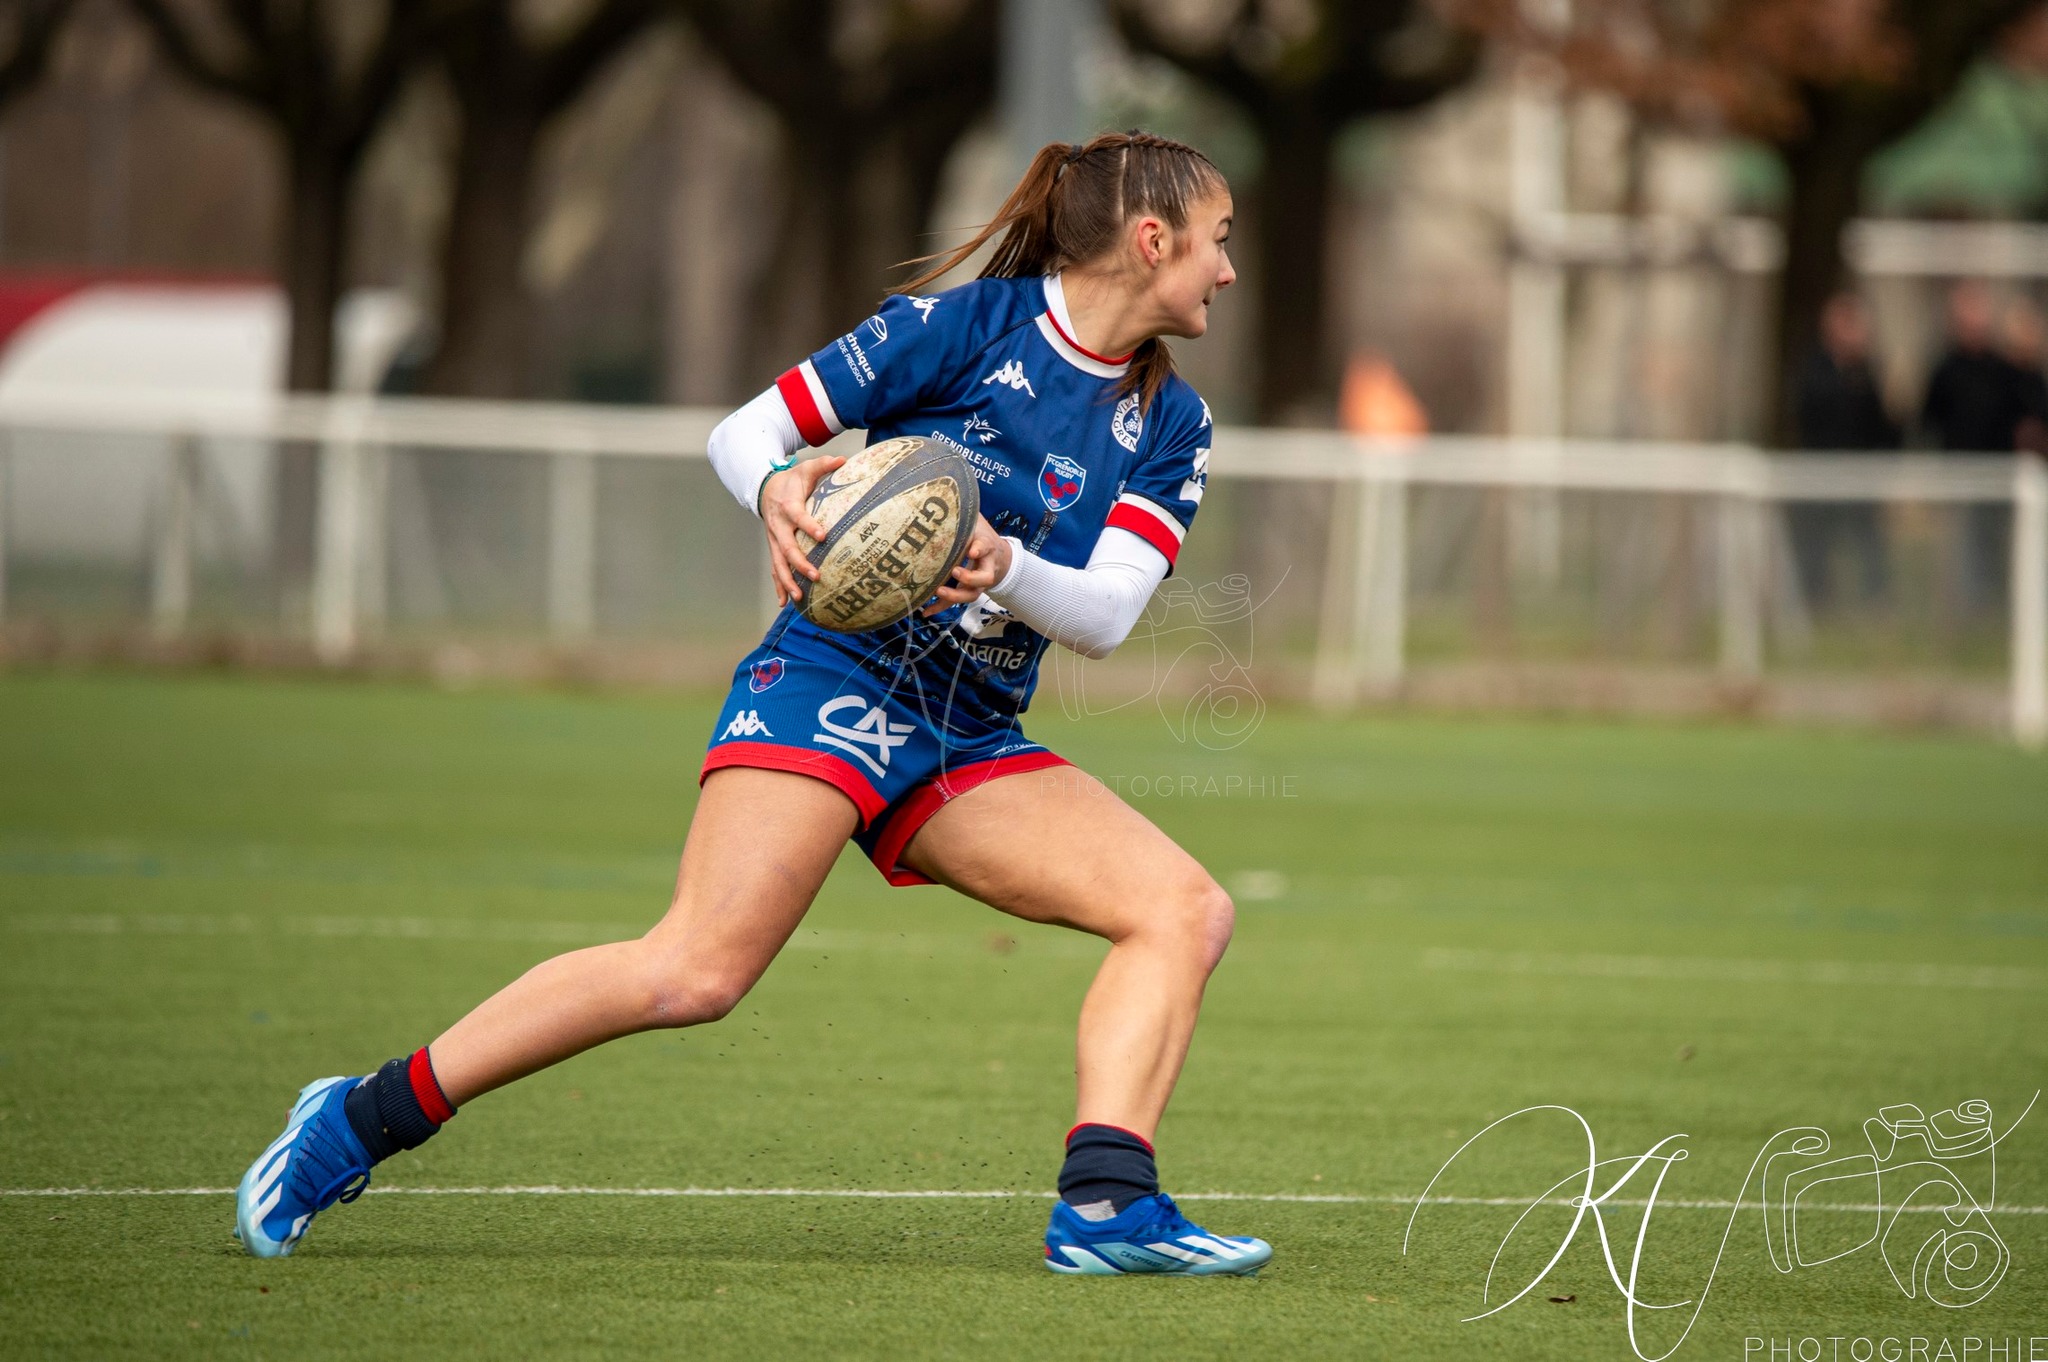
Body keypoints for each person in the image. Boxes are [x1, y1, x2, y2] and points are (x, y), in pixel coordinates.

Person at [231, 131, 1271, 1278]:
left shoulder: (1172, 424)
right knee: (695, 972)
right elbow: (746, 430)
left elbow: (1110, 614)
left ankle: (1106, 1207)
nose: (1227, 268)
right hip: (833, 679)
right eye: (1217, 241)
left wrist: (1000, 564)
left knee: (1184, 909)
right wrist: (777, 485)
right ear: (1150, 238)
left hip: (966, 732)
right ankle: (361, 1116)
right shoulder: (963, 327)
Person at [1921, 281, 2033, 607]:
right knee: (1960, 550)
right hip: (1958, 475)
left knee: (1998, 544)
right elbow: (1929, 419)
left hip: (1999, 475)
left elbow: (2025, 414)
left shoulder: (2004, 369)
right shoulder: (1944, 368)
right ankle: (1963, 611)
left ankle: (2000, 606)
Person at [1790, 292, 1899, 607]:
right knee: (1817, 545)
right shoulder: (1815, 368)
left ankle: (1876, 603)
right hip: (1821, 476)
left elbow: (1883, 428)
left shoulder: (1867, 373)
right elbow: (1811, 415)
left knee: (1869, 544)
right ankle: (1817, 601)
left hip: (1861, 477)